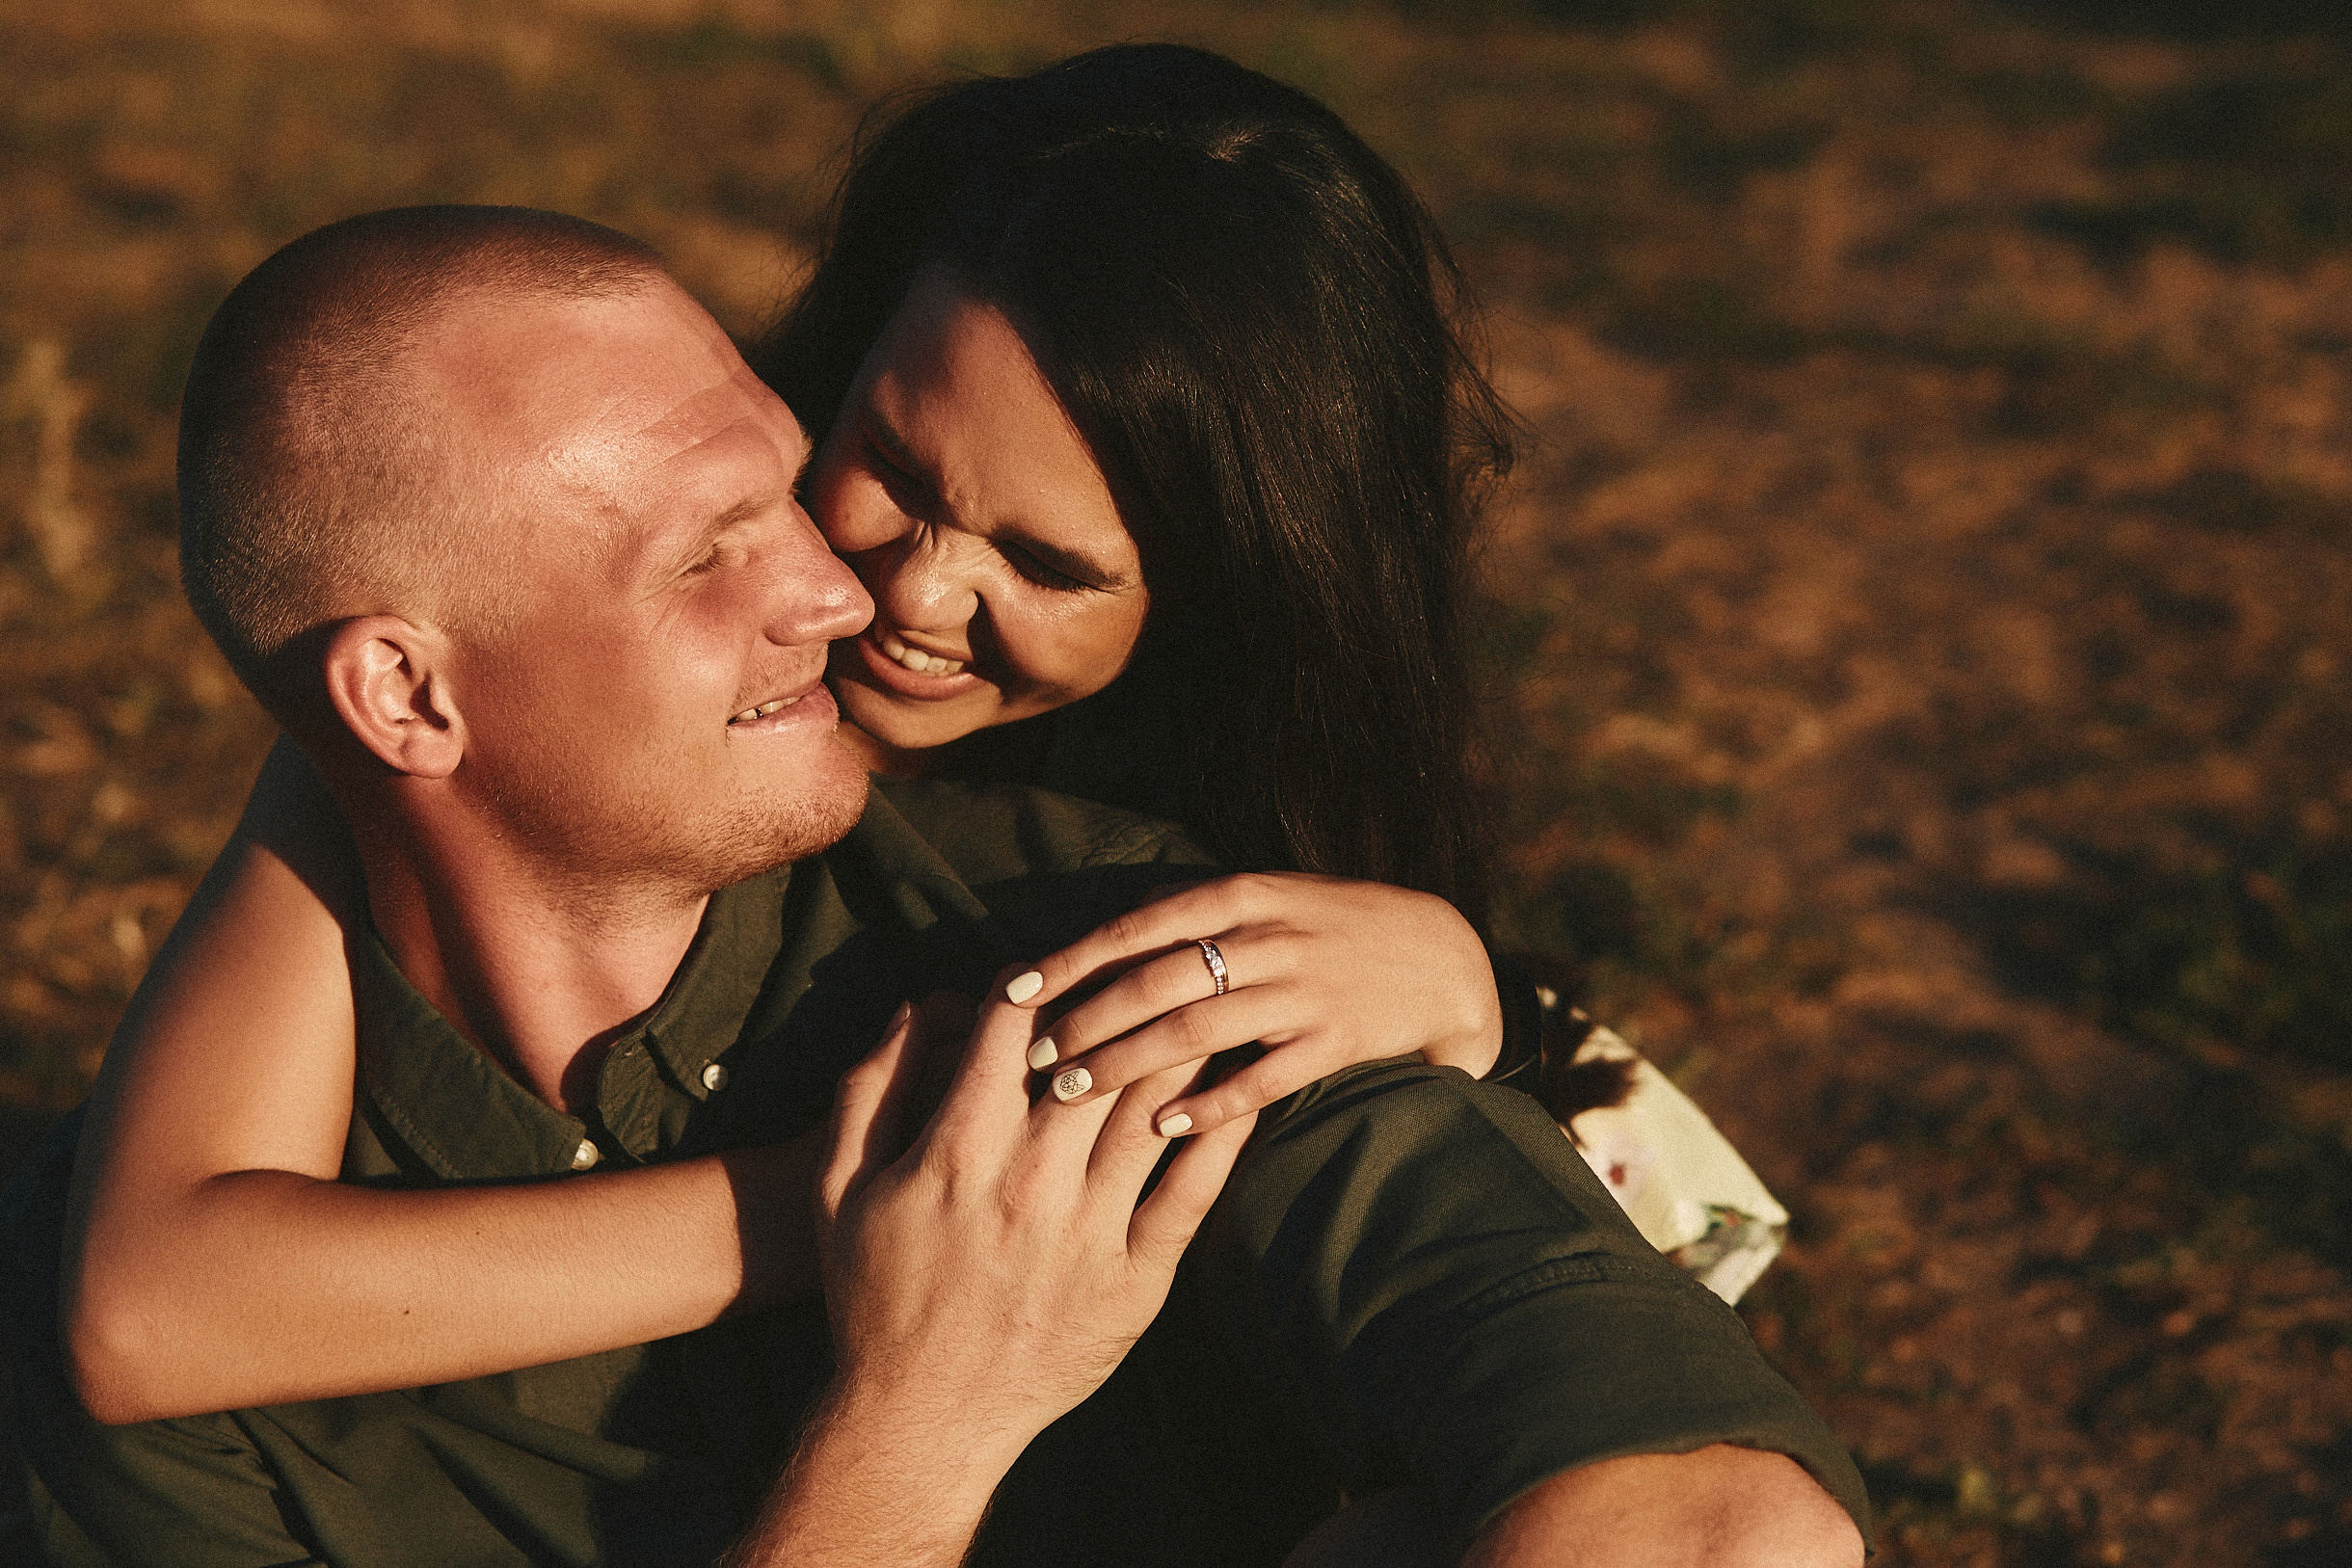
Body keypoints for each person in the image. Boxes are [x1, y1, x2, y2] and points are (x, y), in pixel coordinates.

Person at [15, 48, 1867, 1566]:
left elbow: (1705, 1520)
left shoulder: (1148, 935)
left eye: (1049, 564)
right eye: (879, 472)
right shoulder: (387, 790)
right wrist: (896, 1287)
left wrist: (1447, 969)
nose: (885, 599)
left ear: (1208, 615)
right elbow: (154, 1298)